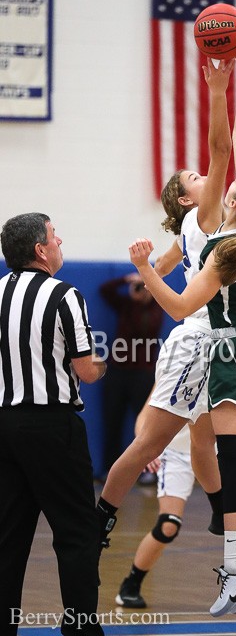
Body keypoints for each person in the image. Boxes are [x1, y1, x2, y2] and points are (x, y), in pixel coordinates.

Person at [128, 40, 236, 617]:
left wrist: (146, 269)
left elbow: (227, 146)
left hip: (228, 344)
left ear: (232, 200)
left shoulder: (222, 241)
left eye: (221, 180)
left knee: (233, 458)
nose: (215, 176)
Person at [96, 56, 236, 559]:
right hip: (197, 338)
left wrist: (147, 264)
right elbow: (223, 148)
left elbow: (168, 257)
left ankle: (221, 511)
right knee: (148, 446)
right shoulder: (204, 213)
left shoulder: (185, 231)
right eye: (195, 177)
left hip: (214, 340)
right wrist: (219, 89)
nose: (207, 175)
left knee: (202, 437)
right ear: (184, 198)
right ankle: (102, 517)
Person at [0, 213, 107, 636]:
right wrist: (101, 368)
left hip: (5, 424)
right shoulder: (65, 295)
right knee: (77, 531)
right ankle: (80, 629)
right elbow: (84, 367)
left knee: (8, 537)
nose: (59, 239)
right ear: (41, 250)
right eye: (53, 234)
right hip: (52, 426)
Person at [115, 405, 236, 609]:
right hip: (174, 453)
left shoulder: (224, 372)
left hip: (211, 448)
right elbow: (145, 414)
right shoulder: (173, 373)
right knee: (168, 525)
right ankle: (131, 583)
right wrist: (146, 447)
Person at [99, 272, 164, 478]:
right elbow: (105, 290)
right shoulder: (125, 304)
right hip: (117, 372)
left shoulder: (156, 309)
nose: (139, 291)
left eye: (144, 288)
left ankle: (148, 470)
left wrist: (144, 298)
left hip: (142, 375)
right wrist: (127, 280)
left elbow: (143, 328)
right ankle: (110, 468)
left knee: (145, 426)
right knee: (113, 421)